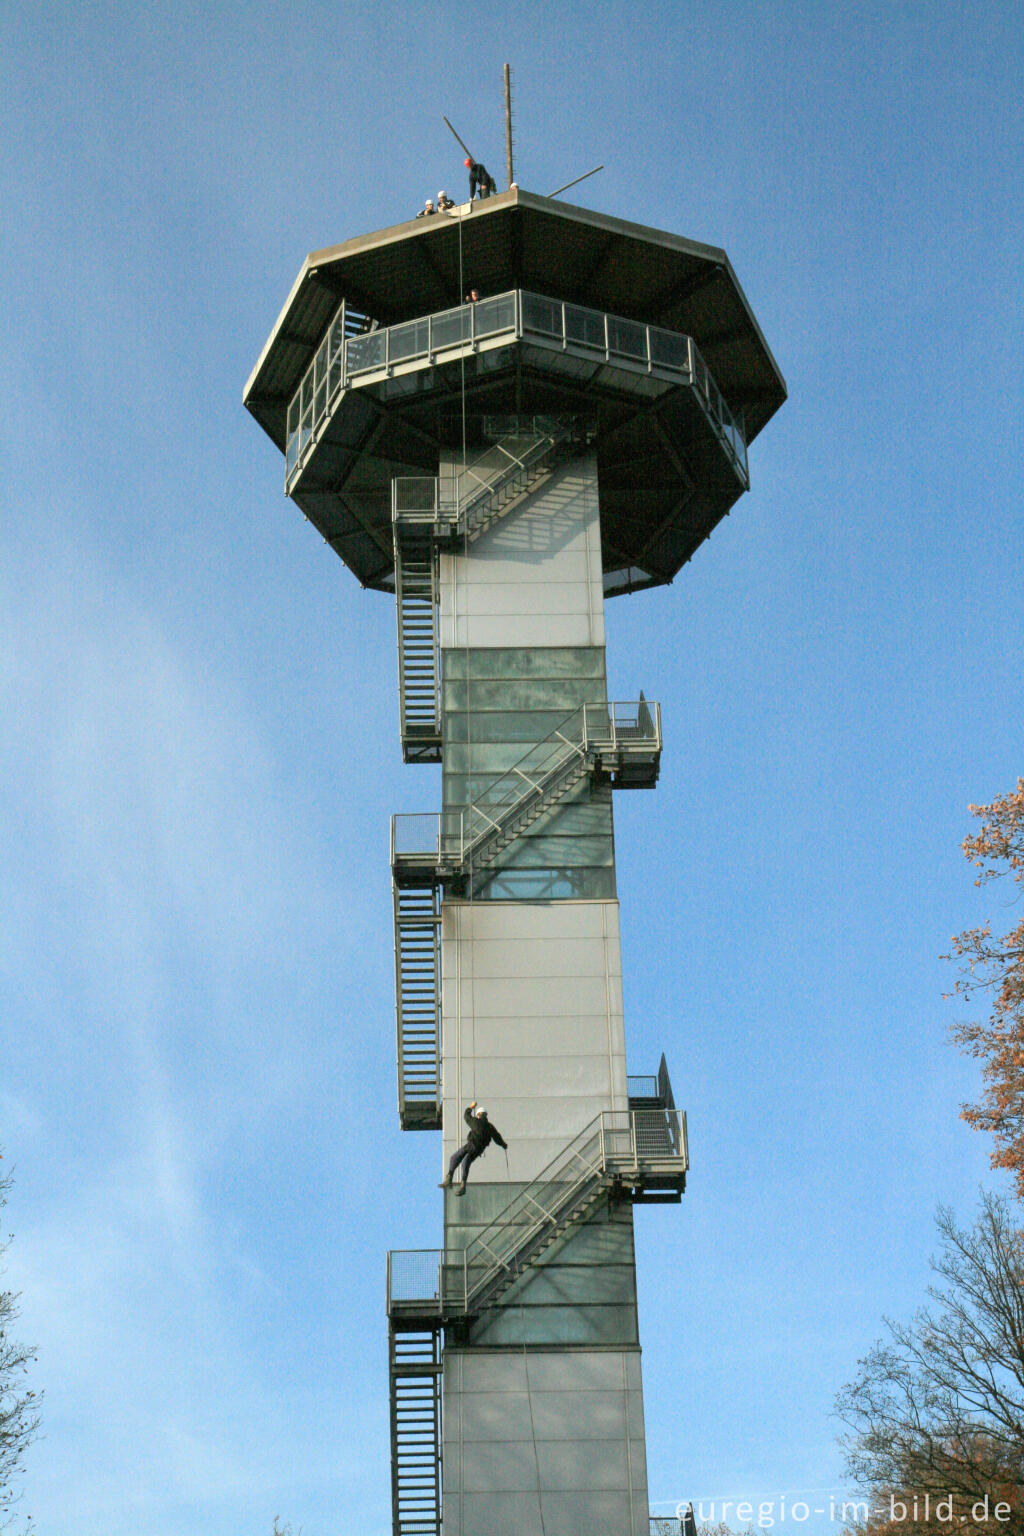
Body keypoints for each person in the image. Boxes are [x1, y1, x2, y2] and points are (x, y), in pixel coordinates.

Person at [440, 1101, 508, 1195]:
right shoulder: (490, 1127)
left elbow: (466, 1116)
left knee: (455, 1157)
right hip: (479, 1150)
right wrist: (504, 1145)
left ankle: (449, 1177)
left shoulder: (476, 1122)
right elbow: (497, 1138)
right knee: (465, 1163)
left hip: (472, 1145)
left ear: (479, 1114)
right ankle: (463, 1186)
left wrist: (471, 1107)